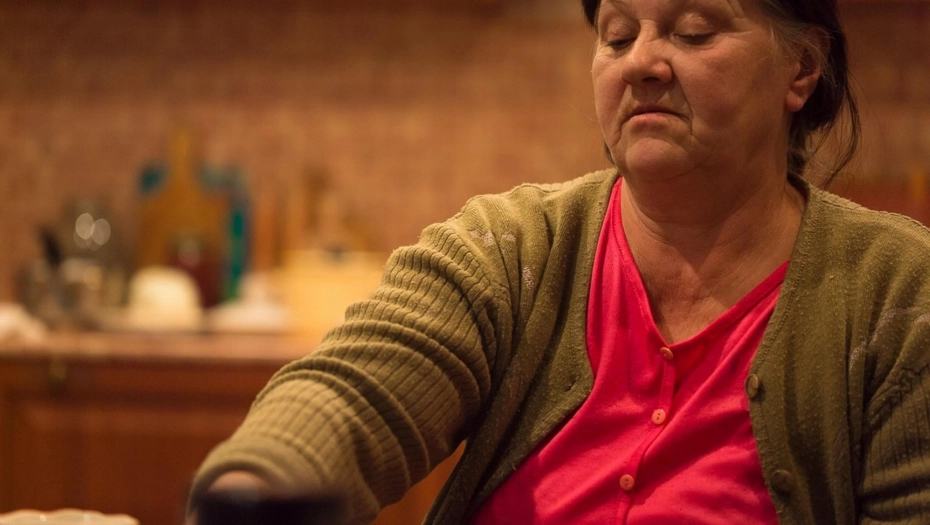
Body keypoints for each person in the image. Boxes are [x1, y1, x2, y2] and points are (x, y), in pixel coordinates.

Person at [188, 0, 930, 523]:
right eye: (616, 36)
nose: (642, 64)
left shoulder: (897, 292)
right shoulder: (512, 249)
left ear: (802, 67)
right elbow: (356, 391)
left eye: (693, 32)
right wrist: (257, 485)